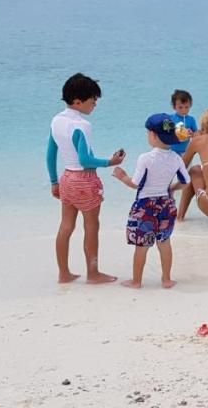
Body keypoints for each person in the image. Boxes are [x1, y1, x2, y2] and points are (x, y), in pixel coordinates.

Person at [46, 73, 125, 284]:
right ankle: (93, 273)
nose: (95, 105)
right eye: (93, 101)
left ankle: (64, 273)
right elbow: (85, 159)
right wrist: (110, 162)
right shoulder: (82, 125)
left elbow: (50, 154)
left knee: (65, 226)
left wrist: (54, 182)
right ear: (78, 102)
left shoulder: (56, 121)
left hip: (66, 179)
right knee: (91, 226)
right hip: (85, 180)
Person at [111, 113, 190, 289]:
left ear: (153, 135)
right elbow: (186, 182)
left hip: (145, 207)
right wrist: (171, 189)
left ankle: (136, 281)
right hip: (166, 205)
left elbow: (135, 184)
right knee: (165, 243)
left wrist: (122, 176)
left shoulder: (145, 158)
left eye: (148, 133)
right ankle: (167, 279)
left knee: (142, 246)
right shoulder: (177, 158)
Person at [168, 89, 198, 156]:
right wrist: (175, 132)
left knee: (186, 166)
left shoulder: (191, 120)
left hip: (185, 152)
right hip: (171, 152)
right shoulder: (170, 119)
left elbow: (196, 134)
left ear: (190, 105)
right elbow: (165, 132)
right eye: (180, 107)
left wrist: (191, 134)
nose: (184, 110)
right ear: (174, 107)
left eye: (186, 107)